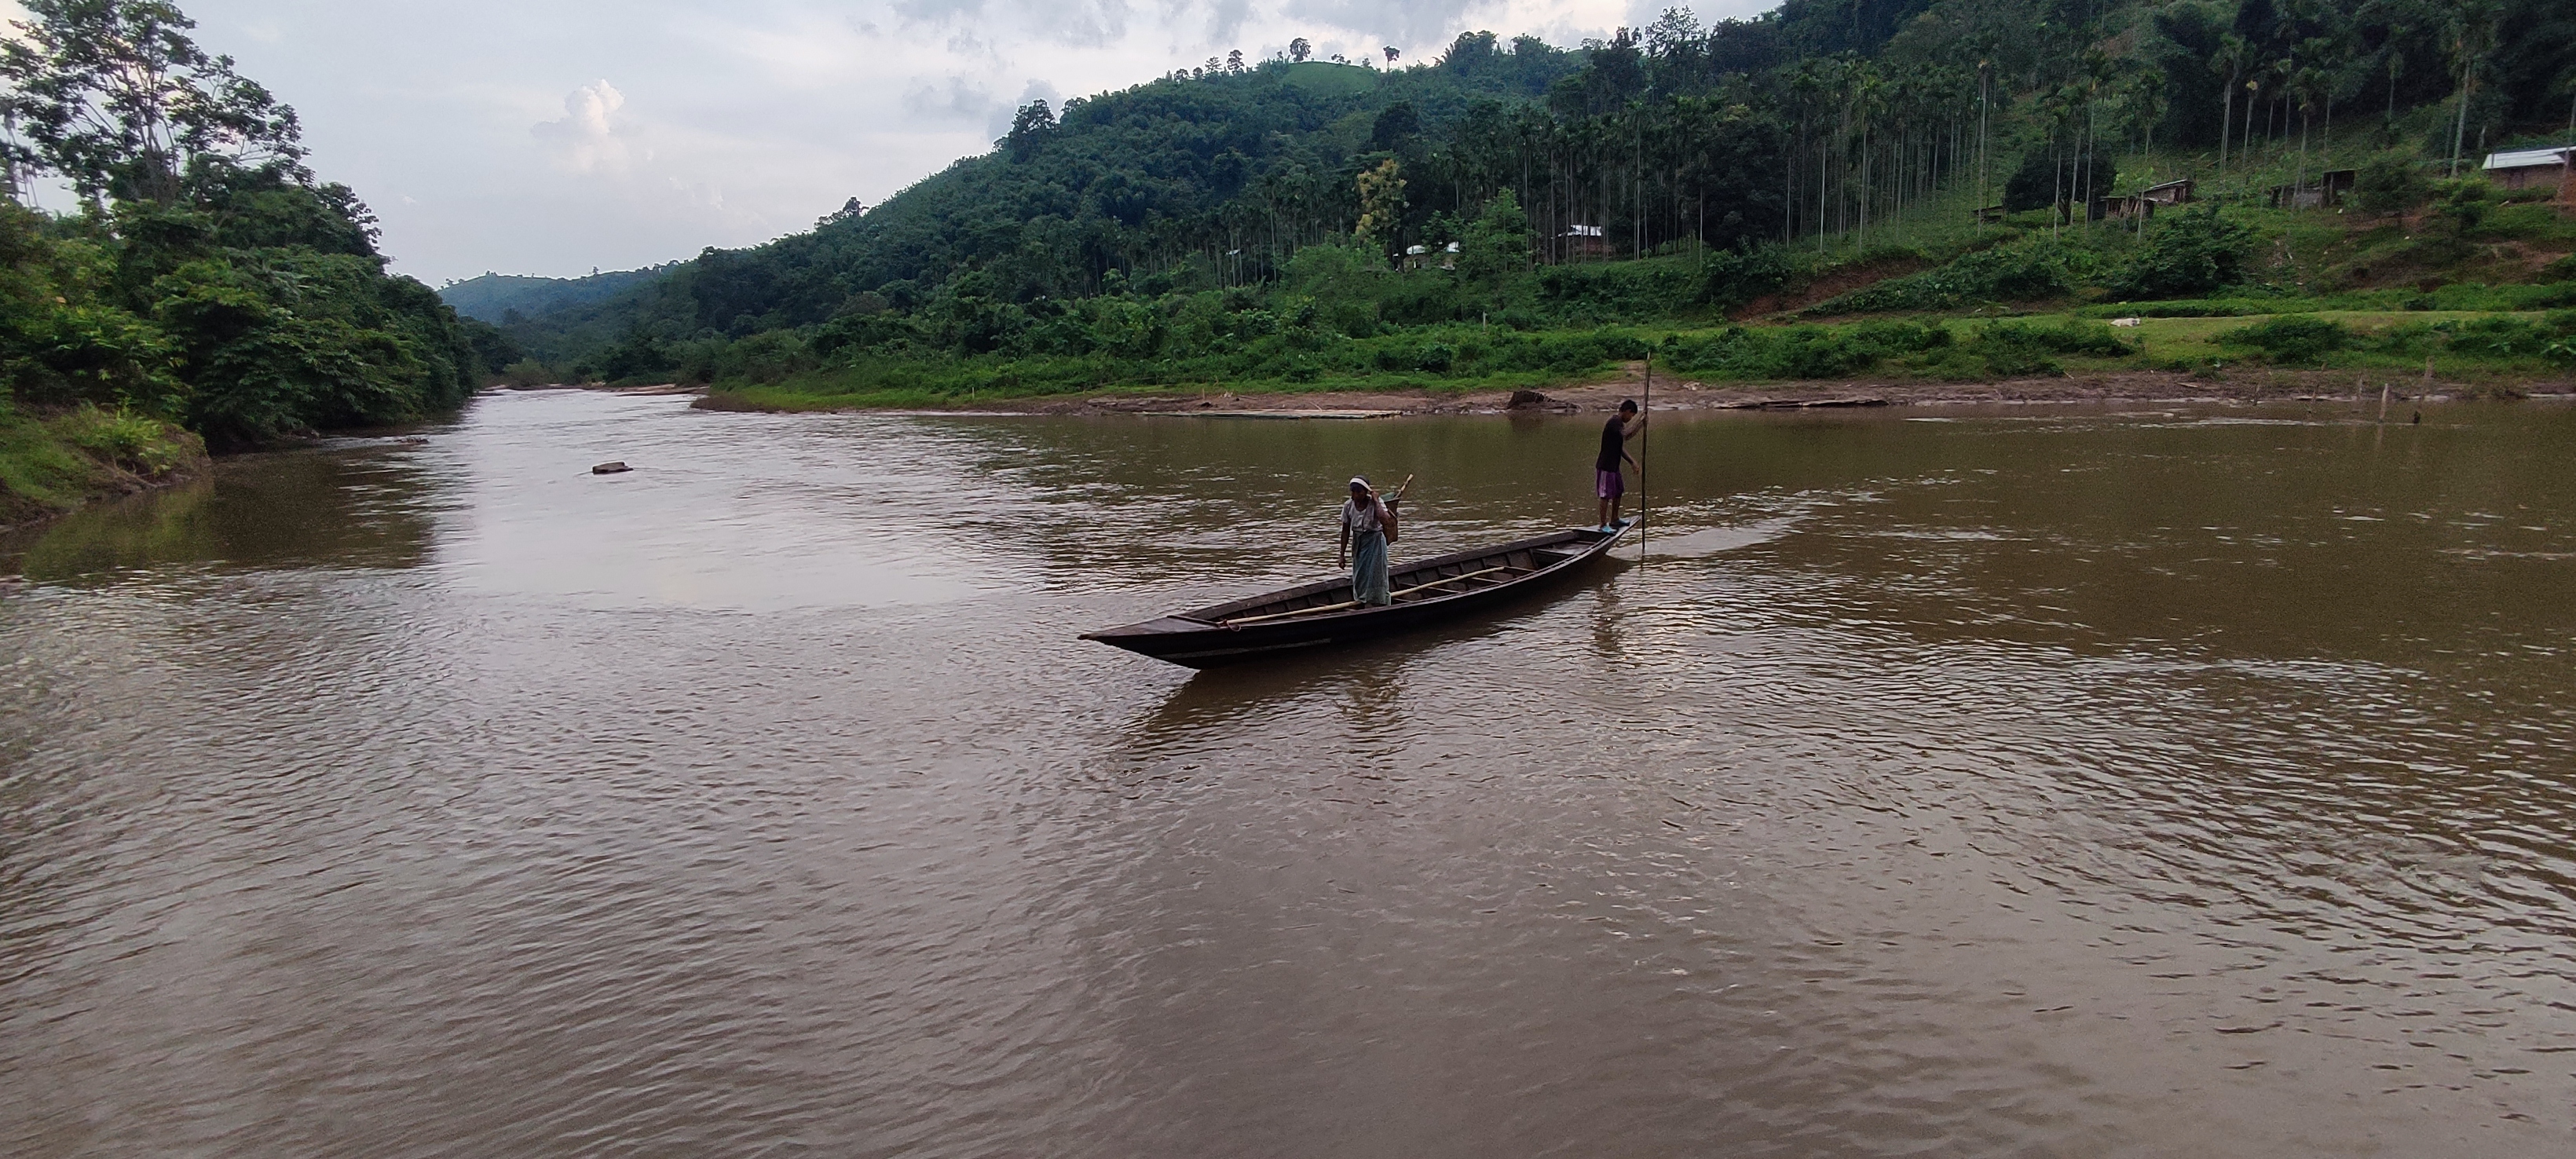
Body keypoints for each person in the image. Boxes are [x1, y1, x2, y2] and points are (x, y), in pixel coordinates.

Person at [1337, 476, 1400, 606]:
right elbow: (1345, 531)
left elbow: (1385, 520)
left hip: (1375, 541)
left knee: (1377, 574)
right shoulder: (1349, 506)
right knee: (1360, 574)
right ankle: (1361, 601)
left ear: (1366, 492)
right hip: (1359, 541)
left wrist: (1376, 500)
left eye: (1359, 492)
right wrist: (1342, 555)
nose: (1355, 495)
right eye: (1353, 492)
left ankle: (1380, 602)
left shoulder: (1376, 503)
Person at [1595, 399, 1643, 530]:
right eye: (1632, 416)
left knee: (1618, 491)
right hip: (1606, 466)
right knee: (1605, 495)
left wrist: (1632, 462)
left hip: (1614, 466)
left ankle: (1615, 519)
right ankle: (1603, 524)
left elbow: (1619, 447)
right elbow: (1626, 436)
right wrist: (1640, 424)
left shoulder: (1619, 425)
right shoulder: (1614, 422)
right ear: (1627, 412)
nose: (1631, 418)